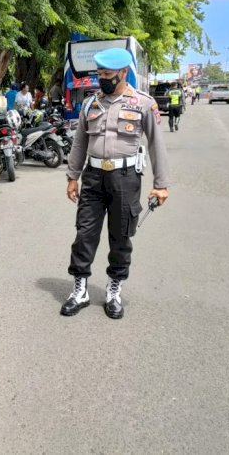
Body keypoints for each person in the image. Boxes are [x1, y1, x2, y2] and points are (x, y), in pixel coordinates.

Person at [61, 47, 171, 320]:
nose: (103, 78)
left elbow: (157, 144)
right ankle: (81, 289)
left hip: (125, 178)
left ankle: (114, 289)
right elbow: (80, 142)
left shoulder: (143, 103)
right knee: (84, 234)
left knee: (121, 236)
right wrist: (72, 177)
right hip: (93, 177)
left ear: (123, 73)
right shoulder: (90, 104)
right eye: (99, 74)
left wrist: (161, 184)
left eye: (108, 74)